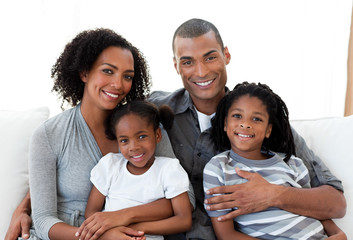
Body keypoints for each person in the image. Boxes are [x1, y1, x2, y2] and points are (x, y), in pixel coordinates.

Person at [149, 18, 346, 239]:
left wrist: (274, 194)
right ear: (176, 65)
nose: (201, 71)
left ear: (227, 55)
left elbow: (336, 204)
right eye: (187, 62)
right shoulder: (154, 111)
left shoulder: (261, 121)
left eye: (210, 57)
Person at [6, 28, 178, 240]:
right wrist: (103, 237)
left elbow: (181, 199)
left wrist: (120, 217)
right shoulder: (49, 134)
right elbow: (43, 220)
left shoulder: (144, 128)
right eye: (108, 71)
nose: (118, 84)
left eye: (127, 76)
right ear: (84, 72)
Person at [203, 82, 346, 239]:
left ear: (268, 130)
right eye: (237, 116)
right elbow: (226, 235)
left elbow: (312, 209)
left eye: (256, 119)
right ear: (225, 124)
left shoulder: (292, 164)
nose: (245, 124)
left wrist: (338, 234)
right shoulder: (218, 168)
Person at [77, 100, 192, 240]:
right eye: (124, 140)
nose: (133, 147)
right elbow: (91, 212)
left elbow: (184, 220)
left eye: (142, 137)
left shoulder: (169, 169)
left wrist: (134, 229)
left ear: (157, 135)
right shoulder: (110, 165)